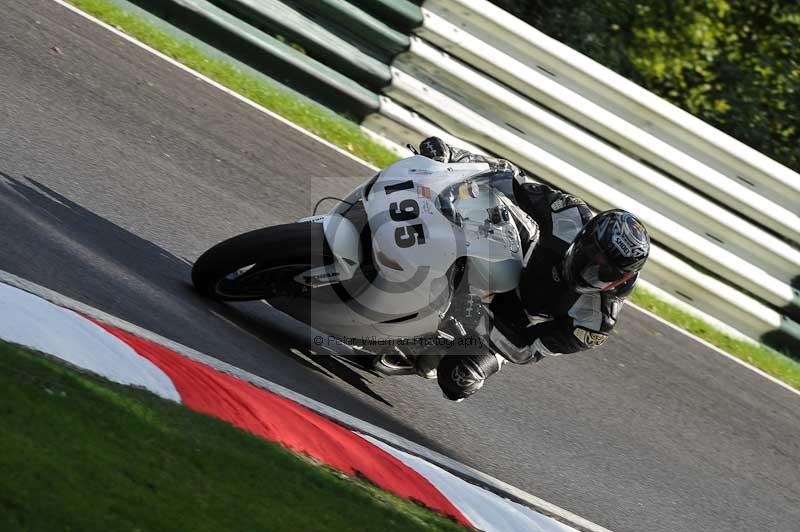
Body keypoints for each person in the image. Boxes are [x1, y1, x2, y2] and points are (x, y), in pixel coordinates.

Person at [415, 137, 650, 401]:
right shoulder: (569, 215)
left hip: (505, 324)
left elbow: (528, 350)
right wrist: (452, 156)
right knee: (474, 200)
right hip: (510, 259)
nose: (590, 272)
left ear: (621, 279)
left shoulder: (595, 323)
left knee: (459, 379)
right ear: (584, 237)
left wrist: (479, 320)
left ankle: (429, 348)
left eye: (604, 273)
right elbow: (510, 180)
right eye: (590, 257)